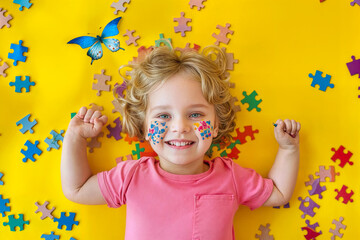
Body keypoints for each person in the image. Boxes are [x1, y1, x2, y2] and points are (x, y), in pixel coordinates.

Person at [61, 46, 301, 240]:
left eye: (195, 115)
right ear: (144, 127)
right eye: (164, 116)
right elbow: (77, 189)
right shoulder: (131, 177)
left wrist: (288, 149)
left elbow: (278, 193)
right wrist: (75, 138)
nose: (180, 127)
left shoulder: (231, 177)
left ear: (216, 123)